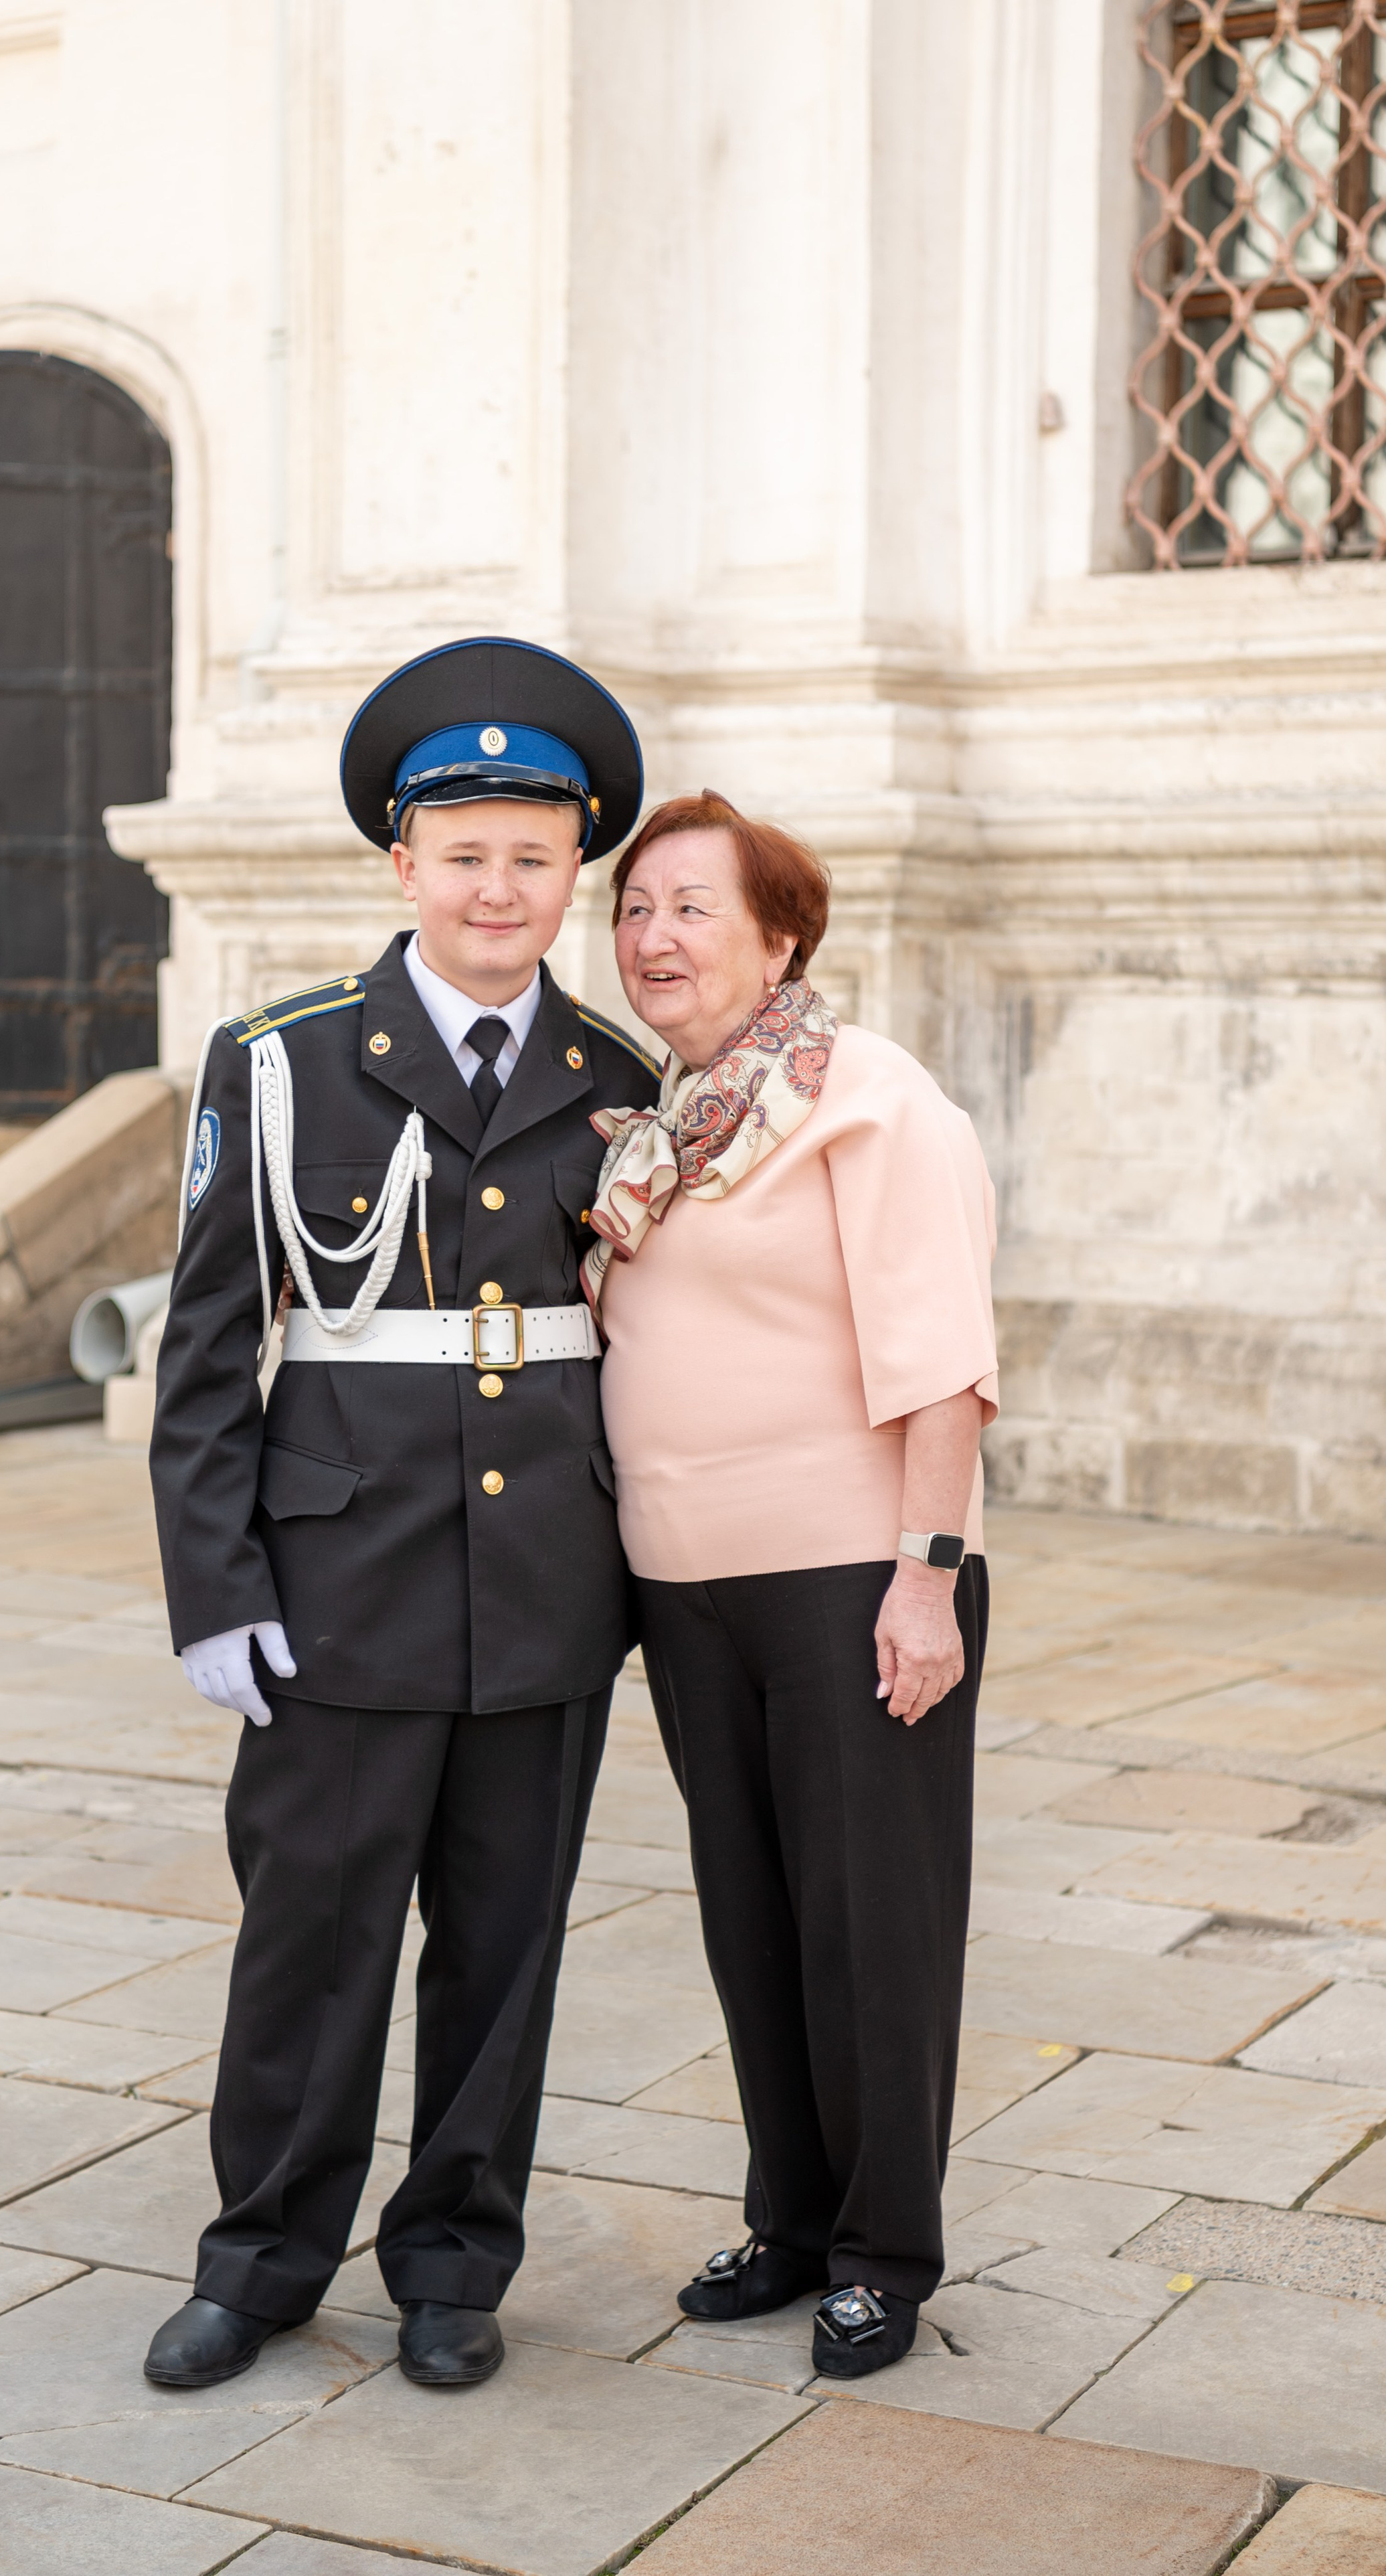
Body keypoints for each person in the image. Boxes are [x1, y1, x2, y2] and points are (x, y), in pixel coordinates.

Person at [141, 637, 661, 2395]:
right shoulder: (283, 1064)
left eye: (533, 856)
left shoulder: (622, 1081)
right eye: (466, 855)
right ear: (403, 866)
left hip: (545, 1595)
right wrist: (214, 1590)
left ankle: (452, 2260)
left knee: (501, 1952)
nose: (500, 887)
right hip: (337, 1580)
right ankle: (263, 2258)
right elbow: (208, 1355)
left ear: (571, 871)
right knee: (315, 1939)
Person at [586, 789, 997, 2381]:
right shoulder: (661, 1130)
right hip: (686, 1587)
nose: (654, 935)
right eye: (633, 909)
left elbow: (941, 1358)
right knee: (751, 1920)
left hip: (848, 1577)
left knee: (867, 1925)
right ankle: (792, 2215)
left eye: (693, 906)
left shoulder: (864, 1100)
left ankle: (885, 2247)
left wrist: (925, 1578)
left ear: (779, 937)